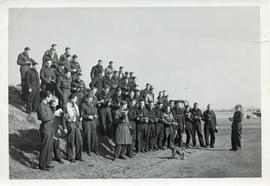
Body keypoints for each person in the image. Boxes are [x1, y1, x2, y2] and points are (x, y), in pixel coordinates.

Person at [37, 91, 54, 171]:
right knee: (45, 145)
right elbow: (43, 117)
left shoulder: (47, 105)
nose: (51, 99)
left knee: (50, 145)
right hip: (45, 126)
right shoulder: (41, 106)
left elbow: (49, 114)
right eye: (50, 97)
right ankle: (42, 165)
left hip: (50, 125)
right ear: (46, 97)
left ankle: (48, 163)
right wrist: (54, 115)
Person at [65, 94, 84, 162]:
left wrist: (80, 116)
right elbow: (67, 115)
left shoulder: (75, 105)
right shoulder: (67, 105)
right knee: (71, 141)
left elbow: (78, 114)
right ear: (71, 99)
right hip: (70, 123)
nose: (76, 100)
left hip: (76, 123)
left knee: (79, 140)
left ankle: (78, 156)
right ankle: (70, 157)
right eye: (75, 98)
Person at [50, 96, 65, 164]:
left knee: (57, 143)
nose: (57, 104)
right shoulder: (48, 108)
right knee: (49, 143)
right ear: (52, 102)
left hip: (56, 127)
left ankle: (58, 157)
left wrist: (58, 128)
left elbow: (57, 120)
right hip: (50, 128)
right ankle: (48, 158)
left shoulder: (56, 108)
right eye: (56, 102)